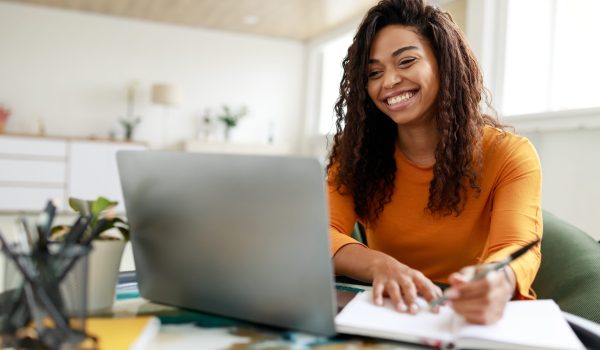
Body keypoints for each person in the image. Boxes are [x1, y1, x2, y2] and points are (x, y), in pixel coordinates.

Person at [327, 0, 542, 325]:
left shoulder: (510, 154)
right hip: (389, 313)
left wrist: (499, 280)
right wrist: (380, 265)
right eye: (374, 73)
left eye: (406, 61)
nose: (389, 82)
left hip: (472, 321)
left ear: (445, 63)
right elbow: (321, 233)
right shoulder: (355, 154)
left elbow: (516, 245)